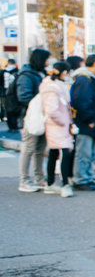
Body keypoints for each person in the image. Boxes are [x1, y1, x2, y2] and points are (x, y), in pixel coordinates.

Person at [70, 54, 95, 190]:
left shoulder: (90, 79)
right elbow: (82, 101)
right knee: (84, 153)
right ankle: (81, 179)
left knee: (90, 153)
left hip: (92, 121)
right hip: (87, 123)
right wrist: (90, 120)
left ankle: (87, 177)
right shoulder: (84, 79)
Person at [16, 48, 50, 193]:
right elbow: (23, 96)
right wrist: (40, 104)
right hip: (30, 117)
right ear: (41, 59)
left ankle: (39, 178)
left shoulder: (41, 74)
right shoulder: (27, 75)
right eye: (47, 59)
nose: (49, 62)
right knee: (28, 148)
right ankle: (24, 180)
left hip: (42, 116)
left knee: (39, 149)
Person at [40, 60, 75, 198]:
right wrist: (63, 121)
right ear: (64, 72)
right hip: (57, 125)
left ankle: (50, 183)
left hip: (57, 125)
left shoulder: (52, 85)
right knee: (64, 153)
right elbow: (52, 110)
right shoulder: (52, 87)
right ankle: (64, 184)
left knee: (54, 153)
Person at [2, 57, 19, 132]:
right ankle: (15, 126)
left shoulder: (3, 72)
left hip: (5, 93)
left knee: (7, 109)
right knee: (14, 110)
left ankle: (11, 126)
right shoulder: (18, 71)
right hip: (15, 93)